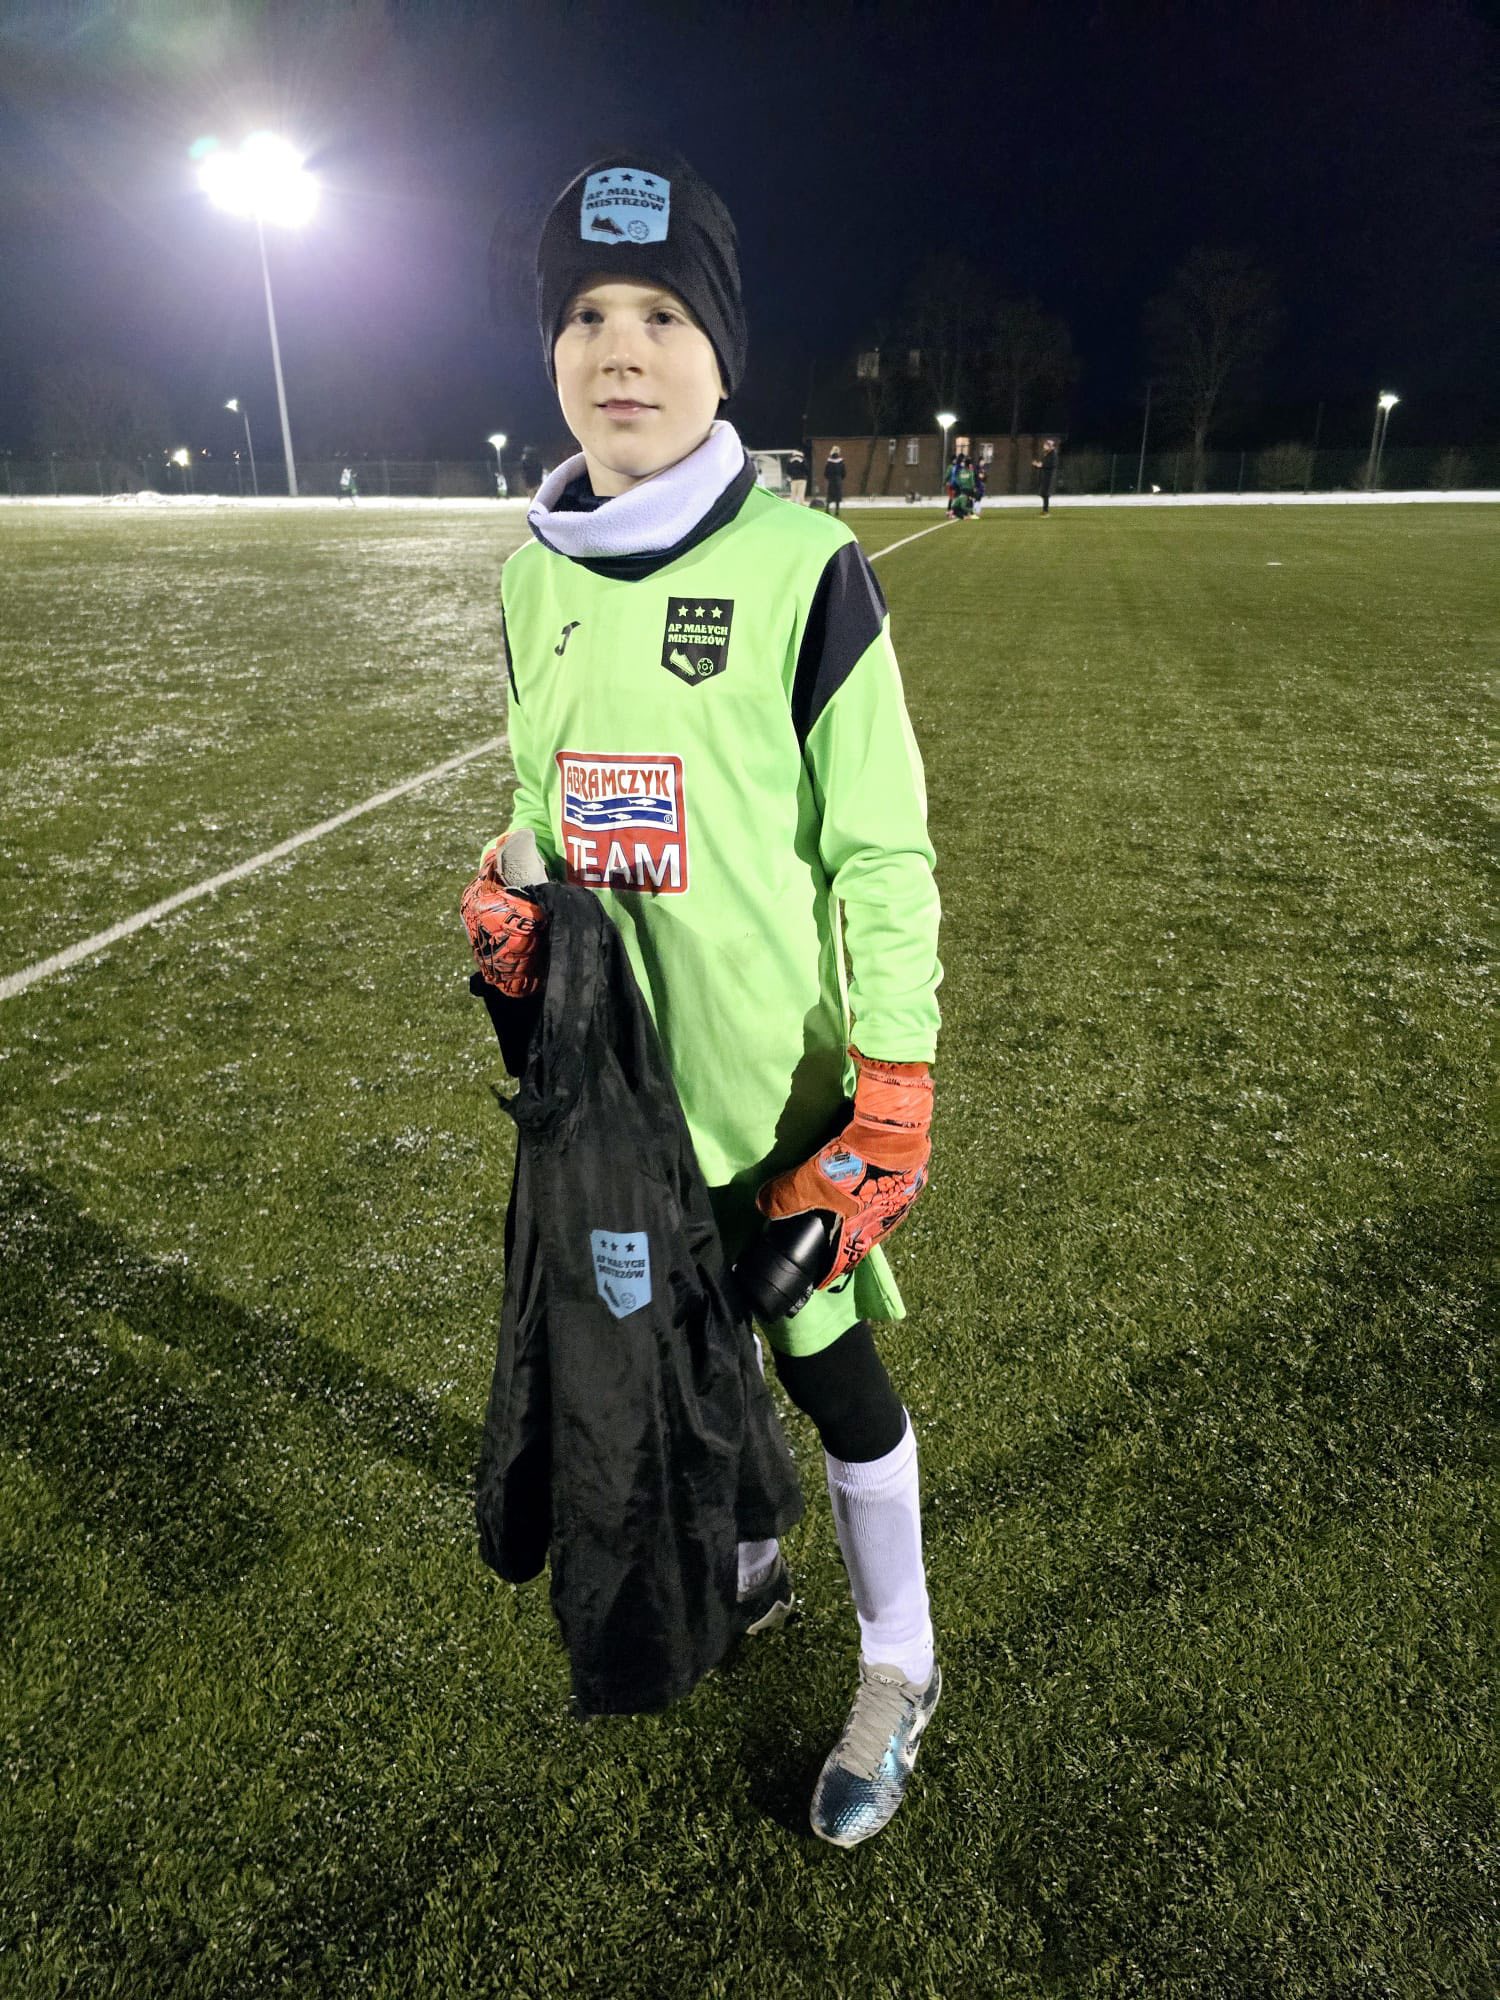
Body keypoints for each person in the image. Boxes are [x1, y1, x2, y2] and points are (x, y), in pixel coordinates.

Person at [462, 150, 942, 1849]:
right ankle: (747, 1561)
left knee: (830, 1373)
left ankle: (901, 1661)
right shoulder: (532, 572)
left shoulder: (809, 566)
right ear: (549, 350)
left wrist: (893, 1090)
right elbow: (543, 798)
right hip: (617, 1102)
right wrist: (513, 893)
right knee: (663, 1351)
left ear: (722, 353)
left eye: (664, 314)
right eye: (588, 314)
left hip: (775, 1111)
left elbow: (882, 851)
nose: (622, 350)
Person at [1032, 437, 1058, 514]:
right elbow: (1042, 464)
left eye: (1047, 445)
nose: (1045, 447)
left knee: (1045, 493)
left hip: (1049, 476)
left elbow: (1052, 464)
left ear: (1051, 447)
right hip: (1044, 476)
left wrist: (1041, 465)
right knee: (1043, 493)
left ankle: (1046, 511)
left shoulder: (1053, 455)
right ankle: (1045, 510)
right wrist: (1037, 465)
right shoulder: (1046, 454)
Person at [823, 444, 846, 516]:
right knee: (838, 495)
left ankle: (827, 509)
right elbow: (843, 472)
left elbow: (825, 472)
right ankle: (837, 510)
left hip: (831, 480)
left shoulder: (829, 462)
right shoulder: (841, 462)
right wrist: (840, 478)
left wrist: (828, 478)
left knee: (830, 494)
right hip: (838, 479)